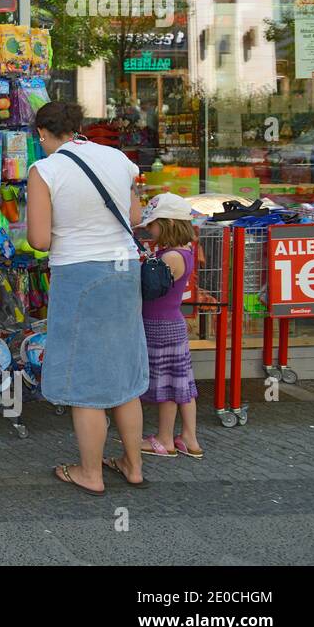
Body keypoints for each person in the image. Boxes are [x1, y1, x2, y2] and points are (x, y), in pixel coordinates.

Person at [26, 101, 150, 495]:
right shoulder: (117, 158)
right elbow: (133, 216)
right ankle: (133, 464)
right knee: (123, 370)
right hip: (125, 270)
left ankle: (90, 472)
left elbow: (40, 240)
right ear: (77, 127)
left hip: (80, 273)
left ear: (43, 134)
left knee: (85, 376)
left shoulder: (45, 170)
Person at [137, 193, 203, 459]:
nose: (149, 229)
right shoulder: (184, 251)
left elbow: (149, 290)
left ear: (170, 224)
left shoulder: (171, 257)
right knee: (181, 383)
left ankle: (165, 439)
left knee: (166, 387)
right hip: (171, 323)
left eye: (153, 224)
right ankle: (190, 438)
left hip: (159, 326)